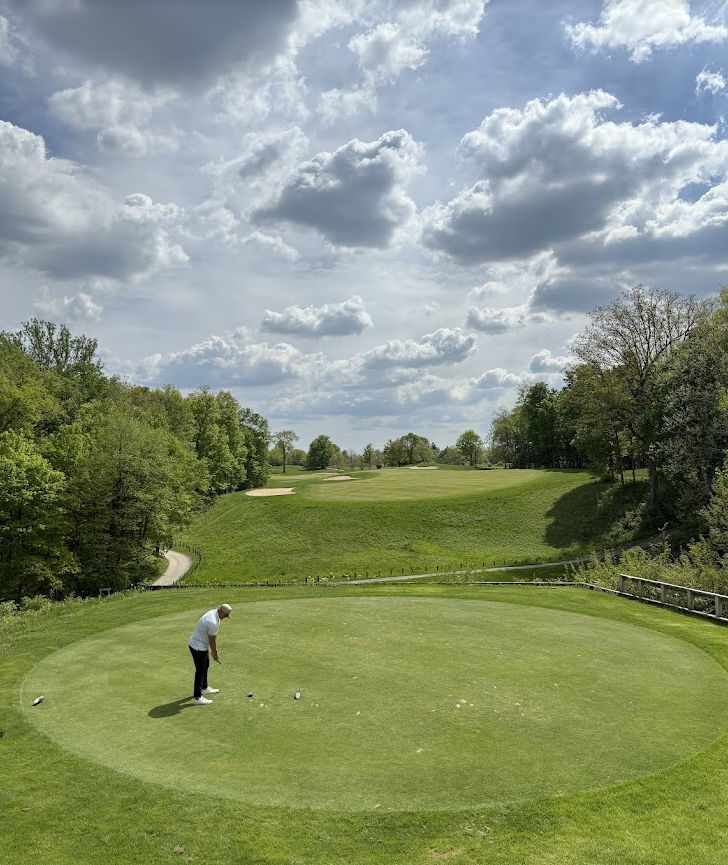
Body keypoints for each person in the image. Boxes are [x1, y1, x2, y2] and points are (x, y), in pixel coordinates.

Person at [188, 603, 232, 705]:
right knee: (200, 670)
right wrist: (215, 653)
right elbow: (212, 640)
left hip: (200, 645)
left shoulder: (214, 613)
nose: (225, 618)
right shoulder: (212, 621)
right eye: (225, 615)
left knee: (206, 665)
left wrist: (212, 652)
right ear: (221, 611)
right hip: (197, 647)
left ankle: (204, 687)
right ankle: (197, 697)